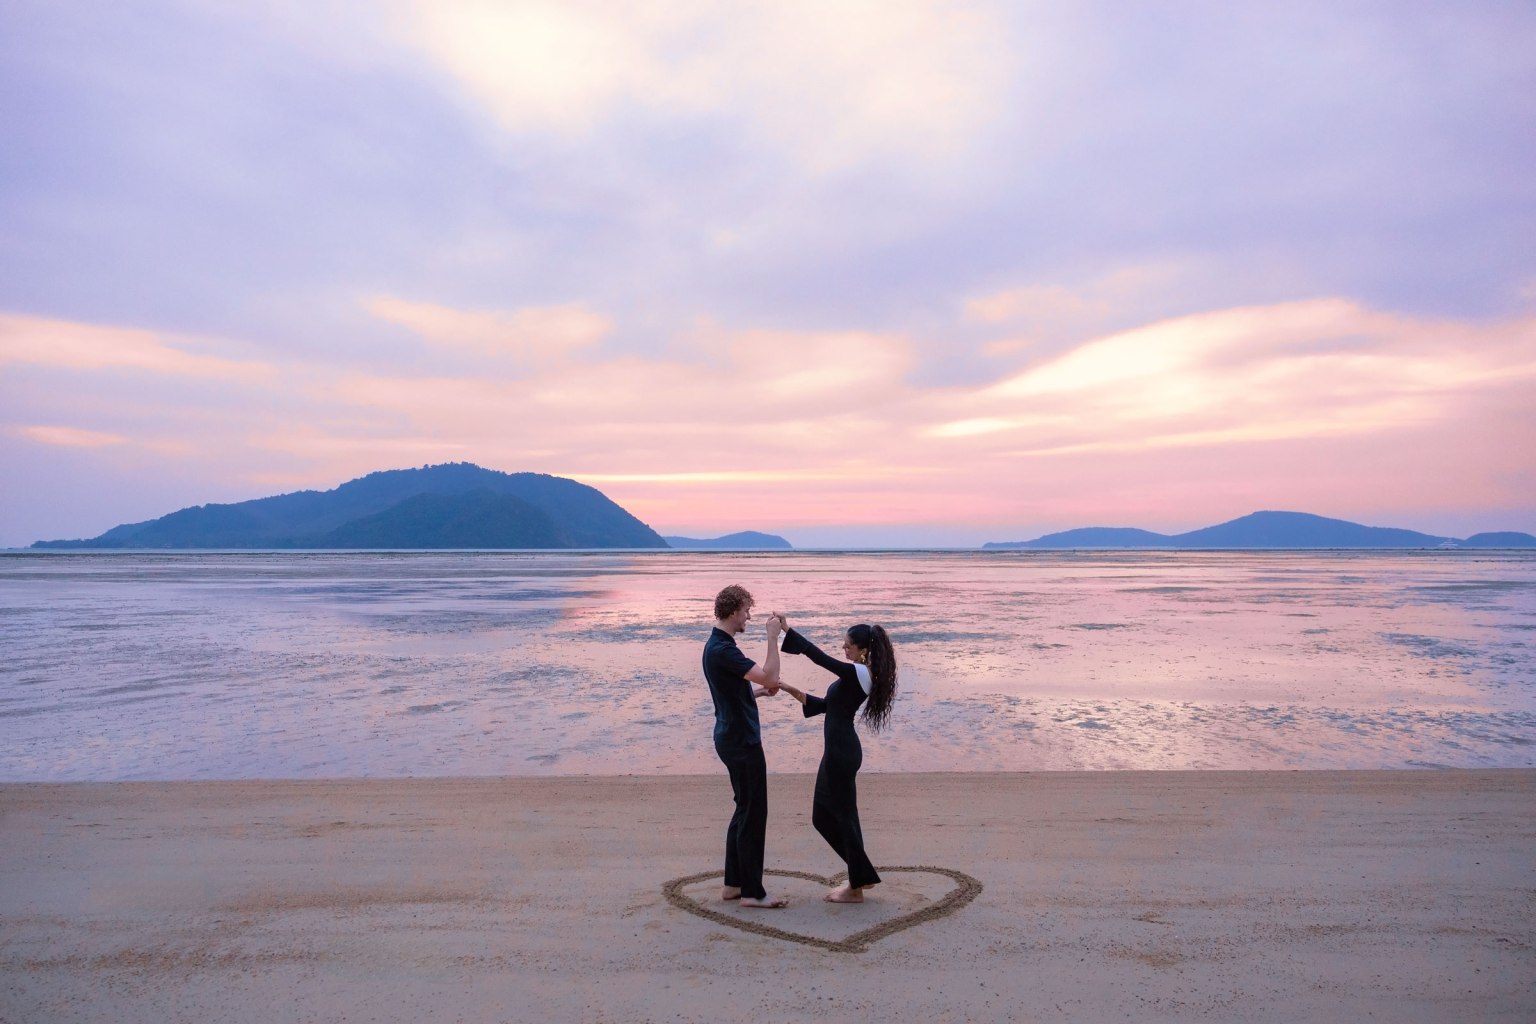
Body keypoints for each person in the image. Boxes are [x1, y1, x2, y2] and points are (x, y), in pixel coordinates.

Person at [776, 620, 897, 903]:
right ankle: (861, 876)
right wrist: (785, 687)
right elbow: (824, 707)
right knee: (830, 817)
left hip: (842, 753)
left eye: (848, 645)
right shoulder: (857, 675)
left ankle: (857, 885)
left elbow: (820, 659)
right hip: (838, 752)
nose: (844, 649)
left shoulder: (859, 673)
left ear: (864, 650)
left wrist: (787, 631)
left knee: (838, 818)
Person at [701, 584, 789, 909]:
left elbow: (733, 693)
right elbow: (769, 676)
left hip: (729, 734)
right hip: (741, 740)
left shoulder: (716, 647)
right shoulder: (724, 650)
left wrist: (755, 696)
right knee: (754, 811)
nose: (749, 616)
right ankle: (753, 892)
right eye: (747, 610)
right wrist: (772, 638)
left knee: (743, 808)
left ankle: (733, 884)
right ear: (735, 609)